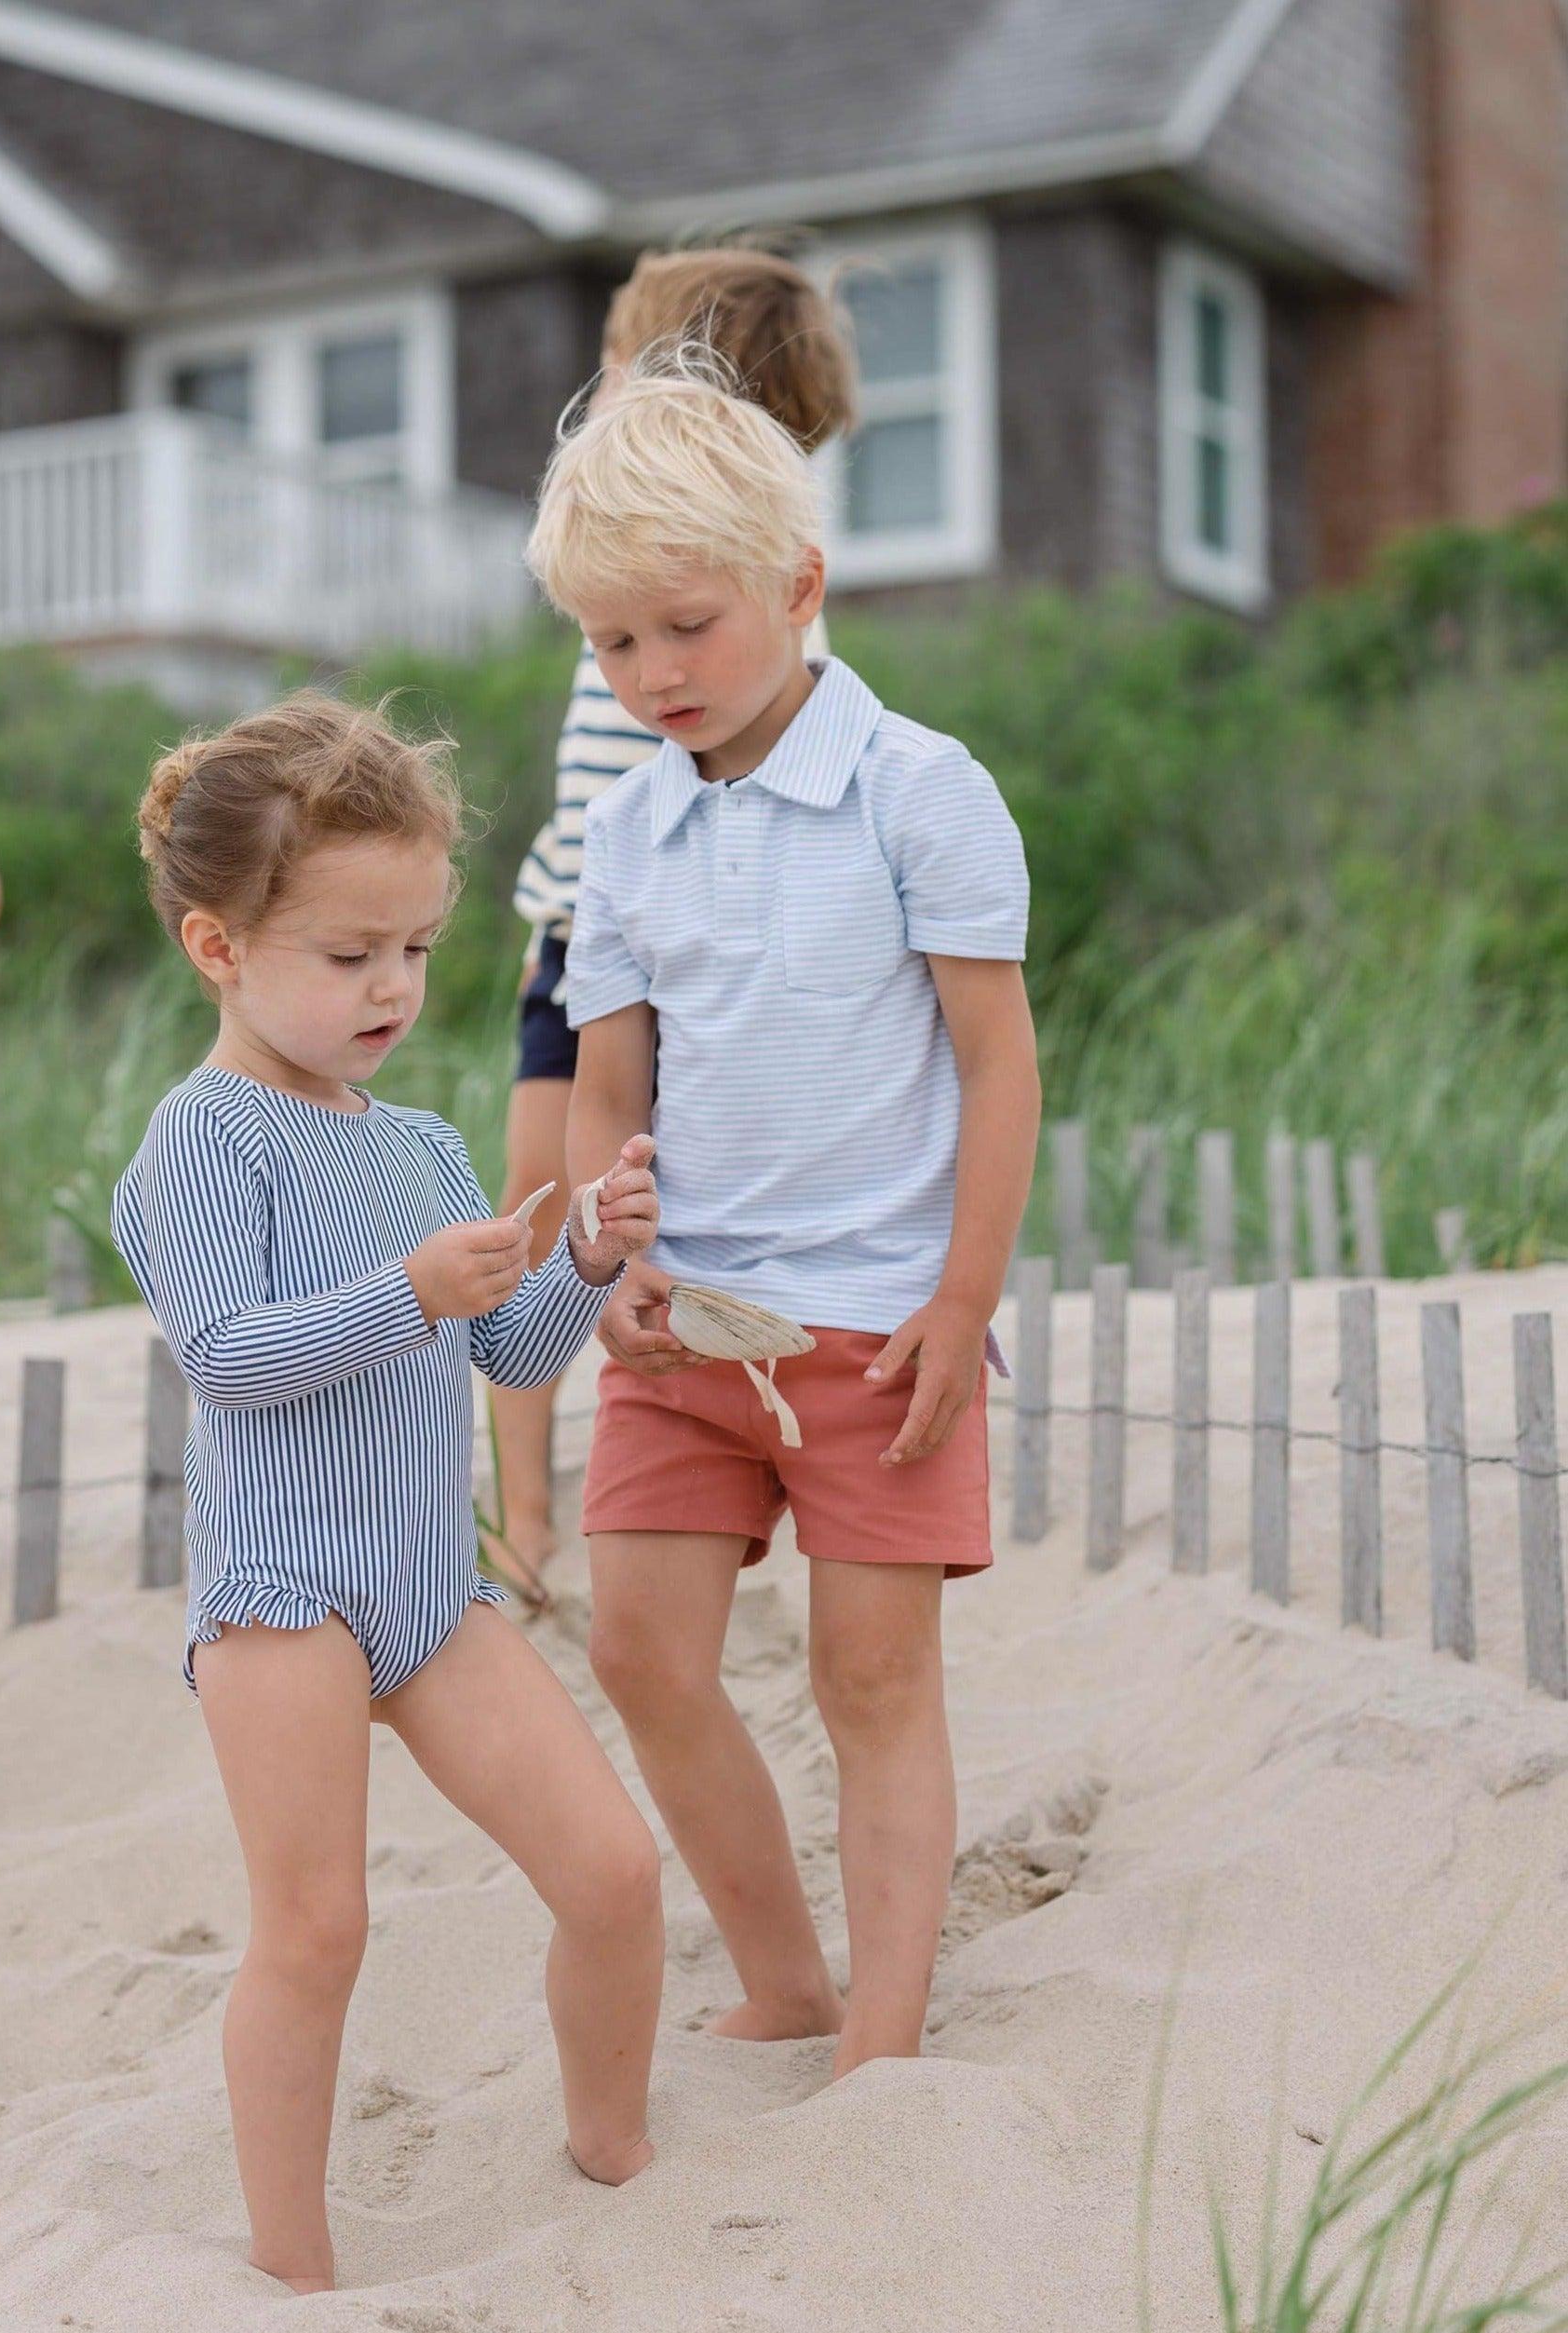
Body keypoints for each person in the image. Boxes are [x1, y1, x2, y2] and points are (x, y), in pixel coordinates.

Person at [526, 350, 1040, 2077]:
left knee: (869, 1679)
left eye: (685, 626)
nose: (650, 672)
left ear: (796, 587)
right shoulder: (626, 825)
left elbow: (997, 1064)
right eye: (611, 643)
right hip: (686, 1322)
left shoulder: (921, 786)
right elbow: (609, 1081)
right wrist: (613, 1249)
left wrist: (961, 1305)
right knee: (639, 1648)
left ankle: (879, 2044)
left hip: (882, 1321)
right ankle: (786, 1973)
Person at [109, 694, 663, 2293]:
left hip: (429, 1593)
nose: (392, 989)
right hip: (284, 1595)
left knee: (613, 1874)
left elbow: (508, 1348)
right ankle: (288, 2260)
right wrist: (408, 1292)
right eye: (348, 954)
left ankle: (611, 2146)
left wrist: (583, 1254)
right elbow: (226, 1354)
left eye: (414, 949)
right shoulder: (205, 1137)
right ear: (218, 946)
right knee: (317, 1928)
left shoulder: (420, 1143)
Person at [491, 245, 856, 1604]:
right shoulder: (634, 604)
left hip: (686, 970)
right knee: (542, 1219)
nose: (601, 392)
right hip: (571, 948)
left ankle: (713, 1458)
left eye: (622, 366)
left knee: (650, 1214)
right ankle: (524, 1513)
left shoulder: (746, 623)